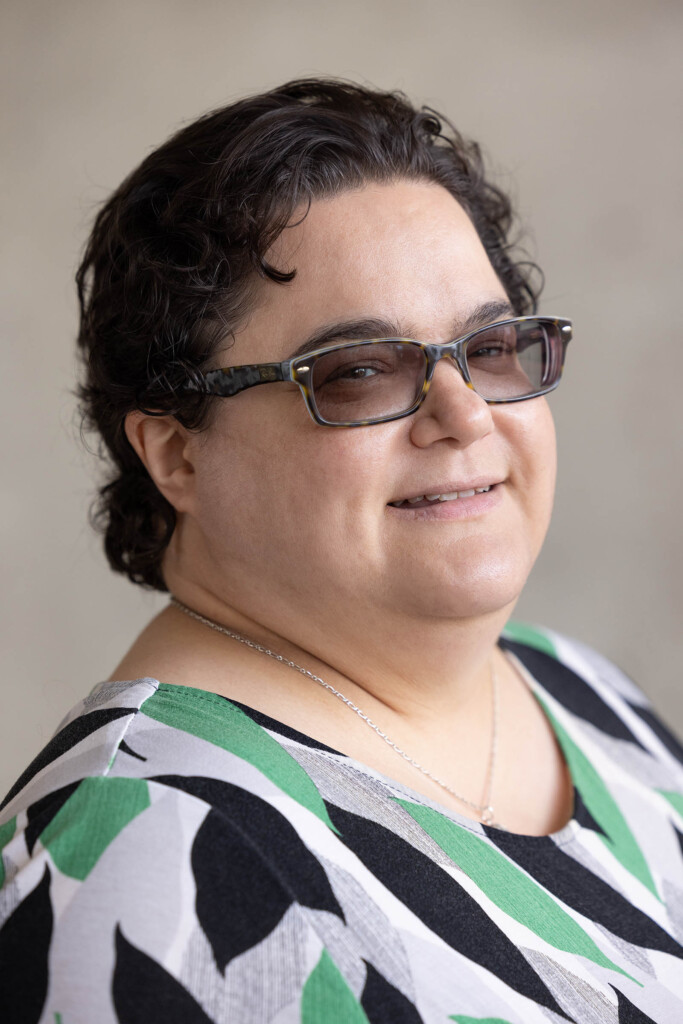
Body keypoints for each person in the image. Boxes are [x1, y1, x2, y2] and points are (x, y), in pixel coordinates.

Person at [1, 78, 682, 1024]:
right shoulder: (147, 862)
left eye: (489, 345)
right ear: (176, 453)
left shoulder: (583, 694)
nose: (465, 414)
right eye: (359, 371)